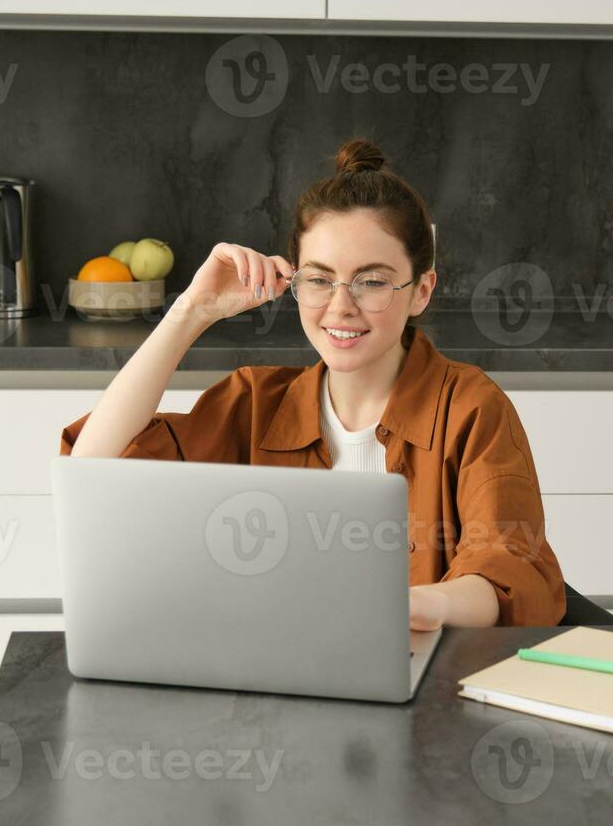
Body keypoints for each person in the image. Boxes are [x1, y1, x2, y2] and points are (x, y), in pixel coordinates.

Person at [61, 139, 566, 627]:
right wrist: (192, 312)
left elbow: (506, 571)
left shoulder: (472, 408)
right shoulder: (255, 403)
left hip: (424, 692)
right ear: (295, 282)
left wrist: (407, 608)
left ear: (421, 292)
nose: (340, 307)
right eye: (320, 279)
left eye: (372, 281)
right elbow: (93, 470)